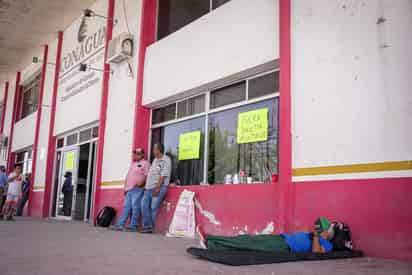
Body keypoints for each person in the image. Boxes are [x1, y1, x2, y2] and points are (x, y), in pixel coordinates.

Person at [197, 218, 335, 253]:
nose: (317, 230)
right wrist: (312, 234)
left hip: (284, 246)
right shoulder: (315, 235)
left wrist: (316, 236)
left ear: (326, 233)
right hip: (281, 238)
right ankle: (210, 239)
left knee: (247, 243)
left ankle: (210, 242)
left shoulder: (327, 245)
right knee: (247, 239)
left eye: (320, 229)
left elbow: (316, 252)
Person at [111, 148, 150, 232]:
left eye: (138, 153)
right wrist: (125, 188)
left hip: (137, 188)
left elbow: (147, 176)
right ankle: (120, 225)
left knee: (135, 207)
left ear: (143, 154)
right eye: (135, 153)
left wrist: (142, 184)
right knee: (126, 207)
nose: (136, 155)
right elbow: (128, 176)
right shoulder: (133, 163)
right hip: (129, 188)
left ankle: (133, 226)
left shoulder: (146, 163)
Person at [140, 143, 171, 233]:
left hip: (159, 187)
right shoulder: (155, 160)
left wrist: (157, 188)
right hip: (148, 188)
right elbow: (152, 174)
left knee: (153, 207)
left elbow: (163, 176)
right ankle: (148, 226)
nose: (153, 151)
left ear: (158, 150)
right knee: (143, 205)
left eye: (154, 149)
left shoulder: (166, 160)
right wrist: (146, 187)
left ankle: (149, 228)